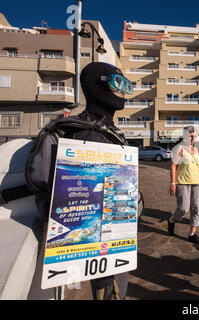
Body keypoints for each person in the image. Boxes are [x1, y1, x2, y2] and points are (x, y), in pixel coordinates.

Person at [27, 62, 134, 300]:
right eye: (118, 83)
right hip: (85, 242)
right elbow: (43, 182)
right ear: (97, 85)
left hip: (115, 237)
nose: (122, 92)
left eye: (127, 86)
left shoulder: (115, 135)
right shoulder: (70, 131)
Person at [168, 126, 199, 245]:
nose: (191, 135)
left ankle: (192, 233)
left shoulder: (197, 150)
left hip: (197, 183)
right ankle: (172, 220)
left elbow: (198, 167)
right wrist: (172, 183)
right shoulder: (179, 147)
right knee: (183, 208)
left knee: (196, 208)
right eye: (189, 133)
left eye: (193, 134)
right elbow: (173, 165)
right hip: (182, 182)